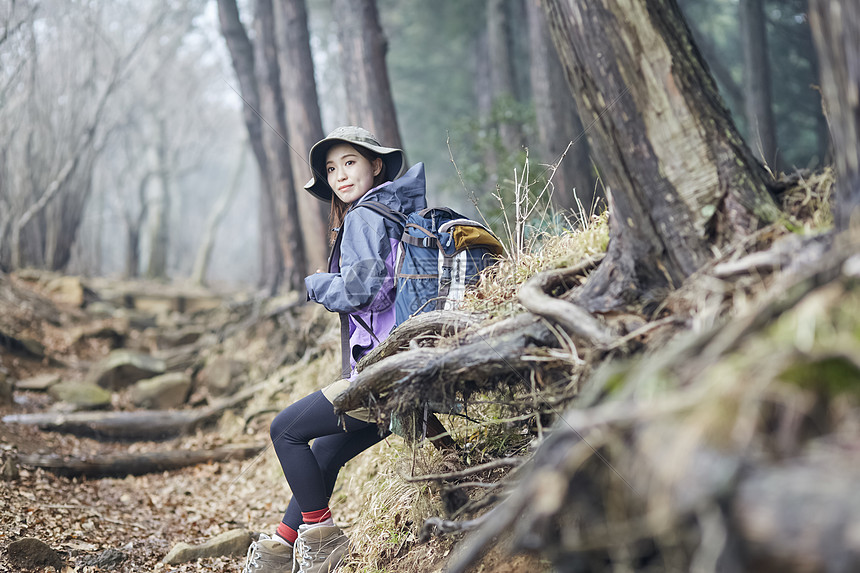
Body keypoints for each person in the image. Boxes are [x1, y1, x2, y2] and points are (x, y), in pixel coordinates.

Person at [241, 126, 427, 573]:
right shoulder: (394, 211)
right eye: (331, 168)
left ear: (375, 165)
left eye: (350, 163)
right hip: (411, 363)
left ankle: (322, 540)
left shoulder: (365, 215)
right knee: (323, 451)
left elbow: (368, 293)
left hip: (385, 370)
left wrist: (316, 284)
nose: (340, 175)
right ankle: (279, 550)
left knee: (285, 430)